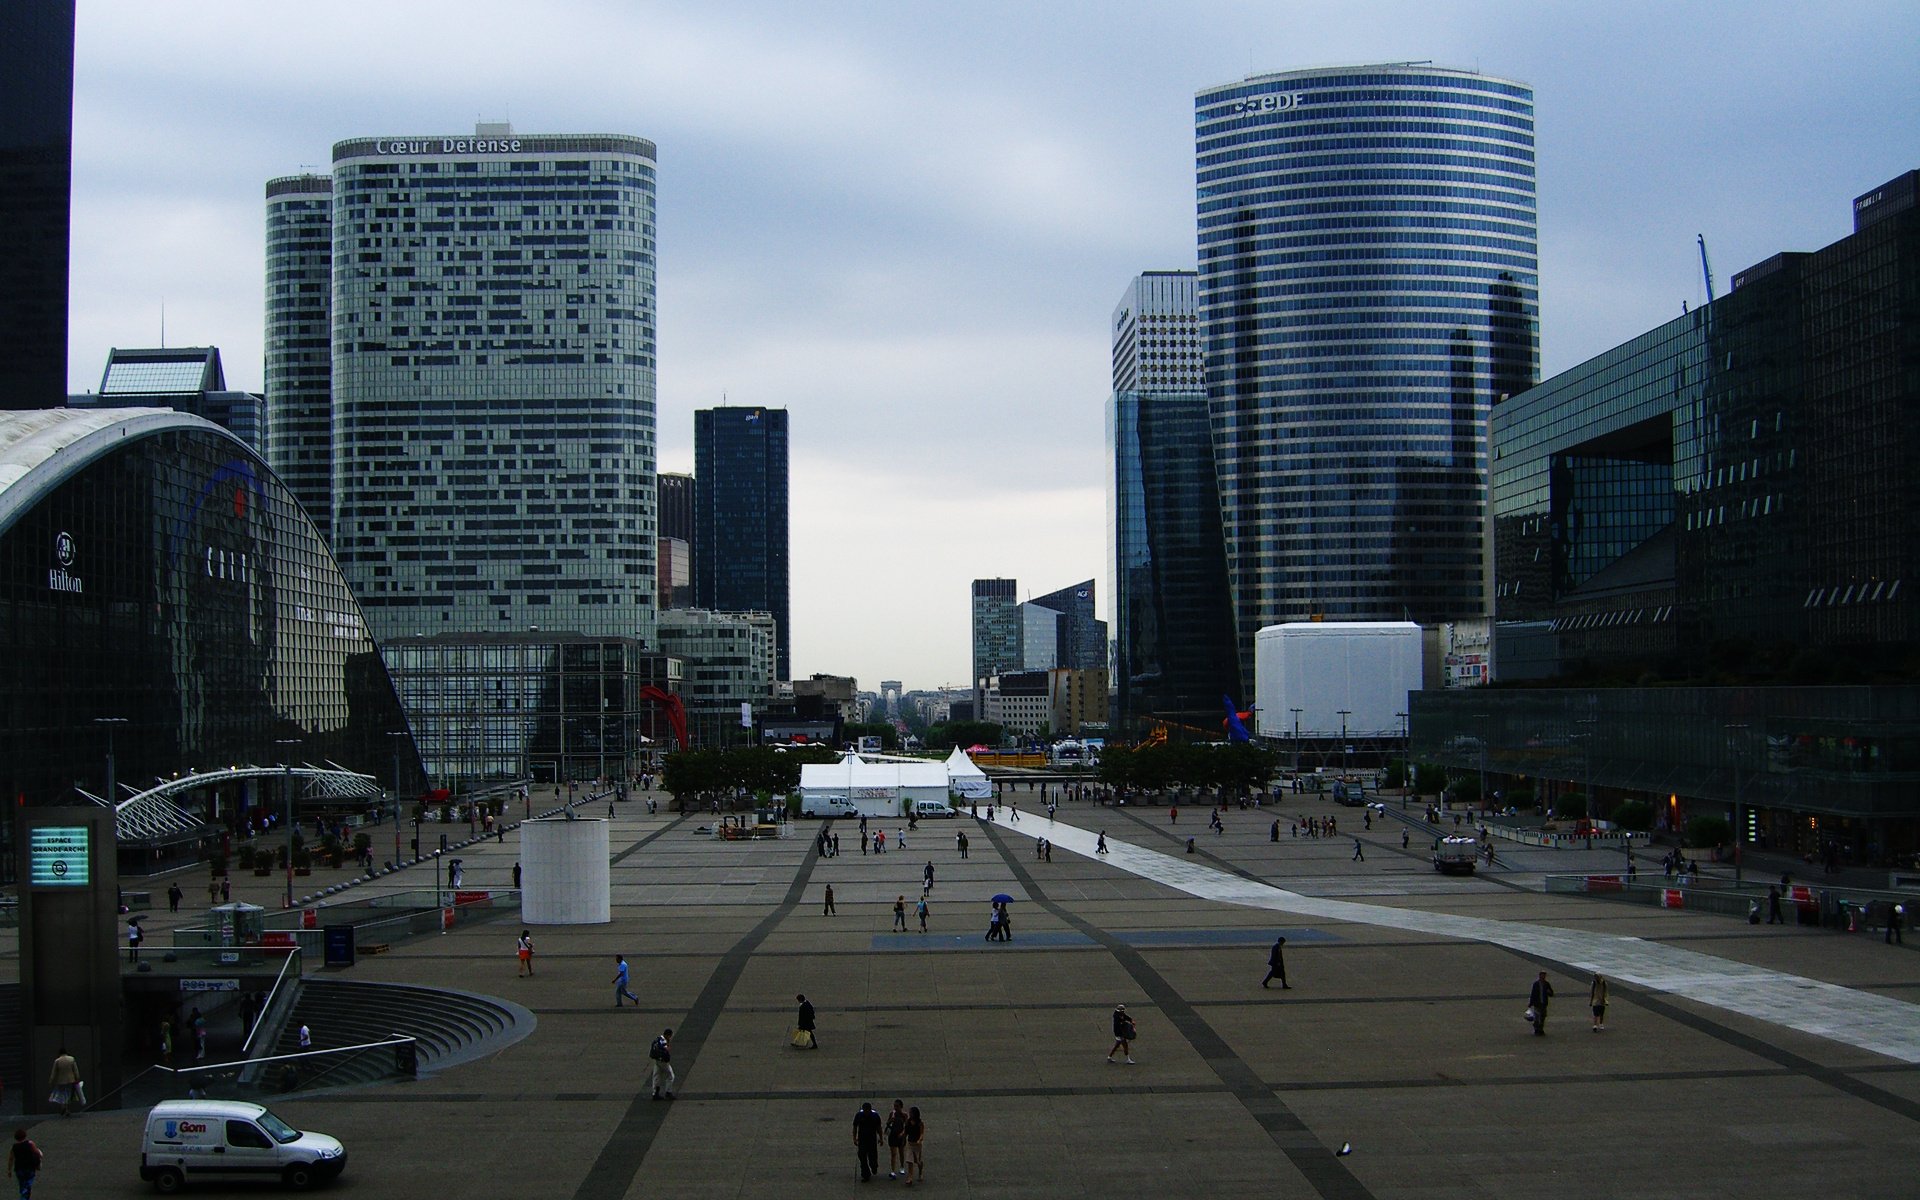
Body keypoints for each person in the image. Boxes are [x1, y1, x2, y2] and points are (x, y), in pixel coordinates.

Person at [852, 1102, 883, 1182]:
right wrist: (854, 1138)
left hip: (872, 1140)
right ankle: (865, 1174)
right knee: (862, 1156)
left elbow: (879, 1128)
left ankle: (874, 1166)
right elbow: (855, 1127)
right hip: (862, 1140)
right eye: (864, 1110)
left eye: (867, 1110)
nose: (866, 1112)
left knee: (872, 1156)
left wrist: (881, 1138)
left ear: (870, 1110)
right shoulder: (859, 1115)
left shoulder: (875, 1116)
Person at [7, 1129, 41, 1199]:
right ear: (25, 1136)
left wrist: (9, 1170)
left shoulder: (14, 1147)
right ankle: (24, 1197)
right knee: (28, 1184)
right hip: (29, 1167)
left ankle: (24, 1195)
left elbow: (11, 1159)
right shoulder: (30, 1144)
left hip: (19, 1169)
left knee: (22, 1184)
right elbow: (37, 1153)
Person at [46, 1048, 80, 1116]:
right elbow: (75, 1070)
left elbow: (54, 1072)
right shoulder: (71, 1059)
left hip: (61, 1081)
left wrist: (51, 1081)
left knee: (62, 1095)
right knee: (68, 1094)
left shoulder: (57, 1061)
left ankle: (63, 1107)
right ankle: (66, 1109)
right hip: (70, 1080)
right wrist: (77, 1078)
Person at [884, 1099, 909, 1179]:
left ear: (901, 1107)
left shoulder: (904, 1115)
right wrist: (891, 1120)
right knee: (893, 1154)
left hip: (900, 1136)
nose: (895, 1108)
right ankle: (893, 1170)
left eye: (897, 1106)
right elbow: (887, 1124)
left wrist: (903, 1133)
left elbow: (906, 1126)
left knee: (901, 1152)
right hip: (892, 1136)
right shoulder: (892, 1114)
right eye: (894, 1106)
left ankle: (902, 1166)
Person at [648, 1028, 675, 1099]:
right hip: (663, 1061)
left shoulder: (658, 1039)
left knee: (656, 1076)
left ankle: (655, 1093)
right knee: (670, 1076)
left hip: (657, 1060)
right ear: (668, 1035)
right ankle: (668, 1092)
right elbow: (666, 1050)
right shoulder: (664, 1041)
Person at [903, 1104, 926, 1186]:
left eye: (911, 1113)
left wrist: (920, 1139)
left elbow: (922, 1133)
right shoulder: (908, 1122)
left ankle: (920, 1171)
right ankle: (910, 1177)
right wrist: (902, 1136)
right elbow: (905, 1132)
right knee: (910, 1160)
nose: (910, 1114)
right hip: (910, 1143)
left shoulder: (920, 1123)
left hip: (917, 1144)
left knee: (917, 1161)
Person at [1528, 971, 1554, 1036]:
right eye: (1542, 975)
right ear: (1539, 976)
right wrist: (1531, 1003)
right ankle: (1536, 1029)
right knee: (1537, 1017)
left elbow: (1551, 993)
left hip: (1544, 1004)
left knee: (1542, 1016)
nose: (1543, 977)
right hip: (1537, 1003)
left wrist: (1549, 992)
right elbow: (1533, 994)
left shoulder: (1546, 984)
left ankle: (1540, 1029)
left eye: (1544, 975)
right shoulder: (1536, 984)